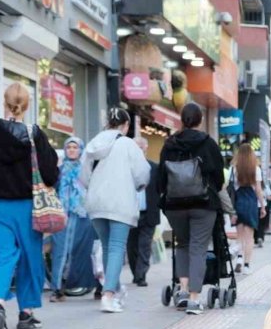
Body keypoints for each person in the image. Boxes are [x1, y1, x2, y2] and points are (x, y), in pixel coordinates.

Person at [0, 82, 59, 329]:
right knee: (31, 258)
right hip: (27, 207)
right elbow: (51, 173)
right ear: (27, 104)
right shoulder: (35, 135)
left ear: (4, 102)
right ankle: (26, 312)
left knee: (2, 257)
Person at [80, 108, 151, 313]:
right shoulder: (128, 144)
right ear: (126, 125)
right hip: (120, 202)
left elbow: (83, 176)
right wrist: (139, 186)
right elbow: (142, 173)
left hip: (96, 202)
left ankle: (114, 288)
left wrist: (94, 188)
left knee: (106, 245)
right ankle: (108, 295)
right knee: (117, 247)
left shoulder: (93, 143)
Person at [158, 102, 225, 315]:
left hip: (175, 205)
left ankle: (183, 291)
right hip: (203, 204)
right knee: (198, 247)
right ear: (200, 120)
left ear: (181, 119)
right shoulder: (208, 144)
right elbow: (219, 178)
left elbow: (160, 177)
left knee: (183, 245)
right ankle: (195, 299)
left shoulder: (169, 144)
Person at [49, 137, 96, 302]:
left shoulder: (86, 170)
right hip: (62, 216)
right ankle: (57, 288)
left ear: (81, 150)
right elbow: (52, 191)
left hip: (83, 216)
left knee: (84, 251)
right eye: (68, 147)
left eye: (75, 147)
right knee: (60, 252)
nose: (71, 150)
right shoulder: (59, 171)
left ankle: (96, 285)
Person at [127, 137, 160, 287]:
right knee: (131, 245)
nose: (139, 148)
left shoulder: (154, 168)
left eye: (141, 146)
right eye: (136, 146)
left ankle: (141, 275)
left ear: (146, 148)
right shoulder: (126, 168)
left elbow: (160, 188)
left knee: (144, 246)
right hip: (130, 212)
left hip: (149, 212)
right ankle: (136, 273)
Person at [231, 144, 265, 275]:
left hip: (238, 201)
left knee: (239, 235)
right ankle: (246, 265)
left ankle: (239, 258)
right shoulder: (256, 169)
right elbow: (258, 190)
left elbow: (232, 188)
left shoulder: (234, 169)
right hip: (250, 202)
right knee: (249, 237)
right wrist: (262, 206)